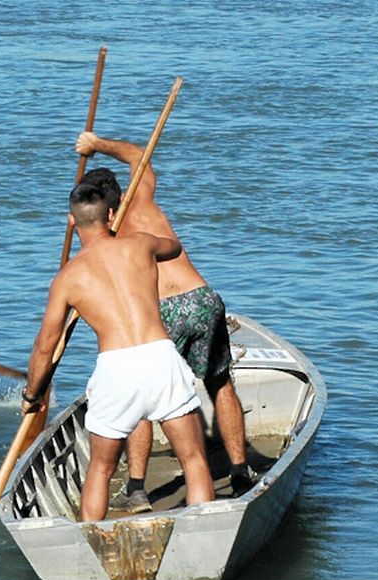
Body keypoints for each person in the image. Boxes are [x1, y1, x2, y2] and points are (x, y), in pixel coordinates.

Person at [75, 131, 255, 510]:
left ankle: (137, 489)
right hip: (202, 299)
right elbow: (139, 155)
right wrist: (96, 144)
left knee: (143, 393)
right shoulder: (141, 198)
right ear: (118, 196)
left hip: (165, 313)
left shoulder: (103, 238)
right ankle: (239, 472)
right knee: (220, 383)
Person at [21, 181, 215, 522]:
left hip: (116, 369)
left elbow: (44, 347)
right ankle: (203, 532)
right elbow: (172, 247)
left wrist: (32, 393)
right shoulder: (140, 245)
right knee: (194, 459)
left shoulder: (67, 279)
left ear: (71, 221)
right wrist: (134, 239)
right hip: (160, 357)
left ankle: (91, 546)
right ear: (111, 214)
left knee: (99, 470)